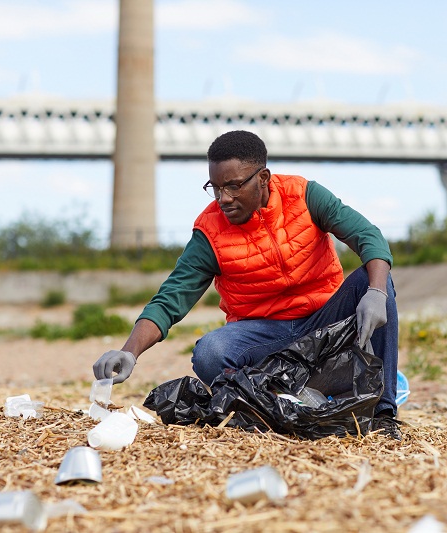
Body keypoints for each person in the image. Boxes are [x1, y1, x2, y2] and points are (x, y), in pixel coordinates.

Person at [93, 130, 401, 440]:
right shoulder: (209, 232)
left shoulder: (305, 196)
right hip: (264, 338)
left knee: (376, 279)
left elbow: (368, 237)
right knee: (210, 352)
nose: (223, 198)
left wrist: (375, 292)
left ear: (263, 177)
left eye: (234, 186)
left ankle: (384, 414)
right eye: (215, 188)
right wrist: (129, 352)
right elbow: (170, 299)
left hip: (323, 322)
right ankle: (280, 401)